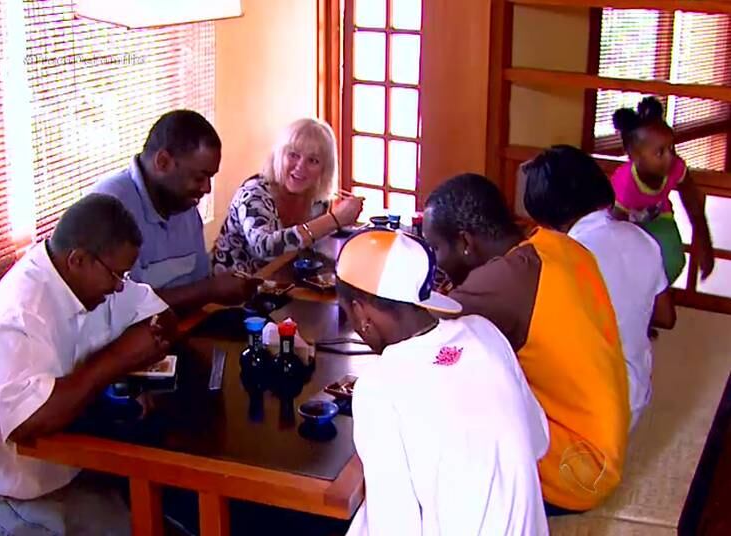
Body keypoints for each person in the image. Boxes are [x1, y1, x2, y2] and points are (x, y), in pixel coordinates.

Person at [0, 194, 177, 535]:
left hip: (71, 466)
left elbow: (159, 313)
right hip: (6, 486)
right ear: (78, 260)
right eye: (116, 274)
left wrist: (138, 370)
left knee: (171, 512)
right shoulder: (23, 309)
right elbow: (28, 424)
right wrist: (117, 360)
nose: (120, 286)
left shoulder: (90, 282)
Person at [423, 174, 630, 514]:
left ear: (464, 242)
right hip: (605, 445)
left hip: (576, 470)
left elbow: (415, 333)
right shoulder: (557, 245)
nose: (436, 261)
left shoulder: (504, 280)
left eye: (435, 248)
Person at [337, 229, 550, 535]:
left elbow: (395, 527)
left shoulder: (379, 386)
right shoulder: (484, 332)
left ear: (361, 313)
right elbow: (539, 441)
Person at [522, 145, 674, 429]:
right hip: (635, 393)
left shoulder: (562, 257)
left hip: (589, 405)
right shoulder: (640, 237)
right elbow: (666, 316)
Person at [94, 109, 258, 311]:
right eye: (199, 177)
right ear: (163, 162)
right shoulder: (109, 207)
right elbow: (120, 310)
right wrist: (209, 290)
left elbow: (198, 282)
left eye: (210, 178)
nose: (206, 188)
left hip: (182, 330)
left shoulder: (184, 204)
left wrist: (219, 289)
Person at [211, 118, 364, 275]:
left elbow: (305, 250)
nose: (300, 167)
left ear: (324, 169)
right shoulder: (254, 194)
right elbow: (265, 247)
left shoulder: (318, 201)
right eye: (293, 155)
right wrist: (334, 220)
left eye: (313, 160)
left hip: (279, 283)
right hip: (231, 291)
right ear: (279, 155)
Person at [610, 96, 714, 285]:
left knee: (674, 261)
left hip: (659, 216)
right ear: (634, 154)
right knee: (633, 266)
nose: (670, 157)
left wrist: (705, 245)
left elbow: (694, 205)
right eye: (660, 152)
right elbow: (614, 229)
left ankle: (656, 294)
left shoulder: (676, 168)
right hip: (626, 225)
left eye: (671, 148)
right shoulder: (625, 184)